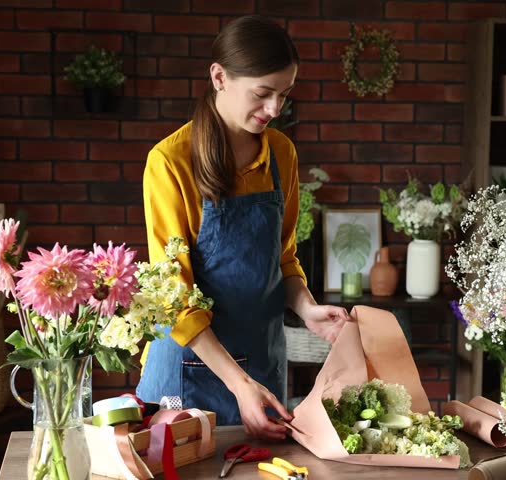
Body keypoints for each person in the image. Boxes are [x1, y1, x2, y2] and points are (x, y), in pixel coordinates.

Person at [136, 15, 351, 441]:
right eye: (262, 93)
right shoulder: (170, 162)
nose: (274, 109)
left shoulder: (281, 154)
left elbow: (282, 257)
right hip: (188, 370)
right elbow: (172, 295)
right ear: (219, 77)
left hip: (262, 363)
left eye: (284, 95)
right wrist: (239, 385)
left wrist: (306, 308)